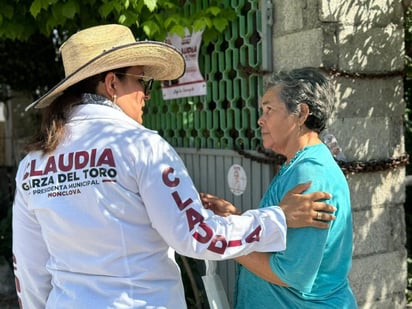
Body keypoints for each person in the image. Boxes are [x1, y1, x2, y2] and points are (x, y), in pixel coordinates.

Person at [12, 25, 335, 309]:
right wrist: (278, 218)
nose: (146, 96)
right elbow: (197, 237)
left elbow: (29, 267)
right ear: (112, 84)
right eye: (142, 82)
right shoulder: (140, 145)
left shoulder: (33, 163)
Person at [201, 67, 357, 308]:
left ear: (301, 113)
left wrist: (225, 239)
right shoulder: (297, 165)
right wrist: (237, 219)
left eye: (269, 109)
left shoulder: (310, 173)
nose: (260, 119)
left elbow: (290, 272)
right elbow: (281, 237)